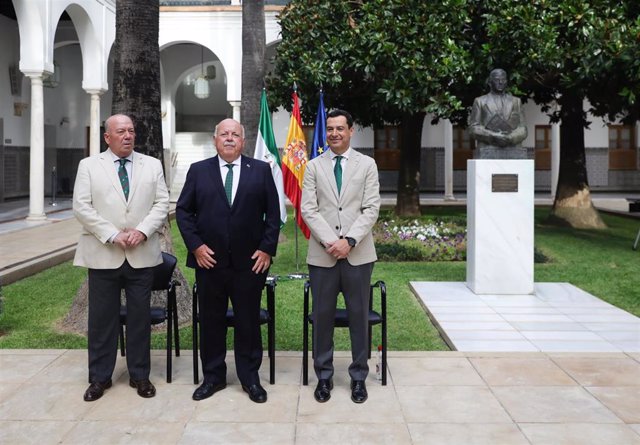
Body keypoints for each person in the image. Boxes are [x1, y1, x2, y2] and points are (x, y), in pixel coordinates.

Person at [176, 118, 280, 403]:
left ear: (243, 141)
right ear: (215, 140)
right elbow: (183, 212)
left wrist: (267, 249)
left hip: (250, 264)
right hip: (209, 263)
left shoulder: (260, 170)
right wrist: (196, 247)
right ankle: (213, 377)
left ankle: (250, 379)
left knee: (248, 321)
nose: (230, 138)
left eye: (235, 134)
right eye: (224, 134)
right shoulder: (199, 171)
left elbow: (273, 215)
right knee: (211, 321)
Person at [73, 114, 170, 402]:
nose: (128, 135)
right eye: (121, 131)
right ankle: (99, 378)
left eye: (131, 130)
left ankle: (140, 376)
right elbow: (81, 206)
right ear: (107, 137)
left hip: (141, 254)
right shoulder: (89, 166)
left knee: (140, 319)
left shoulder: (151, 165)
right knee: (102, 320)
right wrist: (113, 234)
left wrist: (141, 231)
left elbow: (162, 202)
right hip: (104, 254)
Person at [301, 109, 381, 404]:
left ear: (351, 130)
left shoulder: (367, 165)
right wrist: (331, 242)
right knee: (322, 317)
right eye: (330, 129)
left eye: (340, 128)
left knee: (359, 316)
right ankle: (324, 376)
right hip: (323, 256)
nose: (334, 133)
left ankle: (358, 377)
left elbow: (371, 208)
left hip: (358, 254)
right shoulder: (313, 167)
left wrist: (349, 241)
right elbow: (309, 209)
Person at [468, 68, 527, 159]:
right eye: (496, 79)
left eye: (503, 80)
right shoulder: (480, 101)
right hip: (488, 147)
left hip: (512, 147)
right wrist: (492, 136)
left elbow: (523, 129)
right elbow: (473, 128)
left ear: (506, 82)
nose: (500, 82)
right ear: (490, 82)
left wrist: (510, 138)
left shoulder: (516, 101)